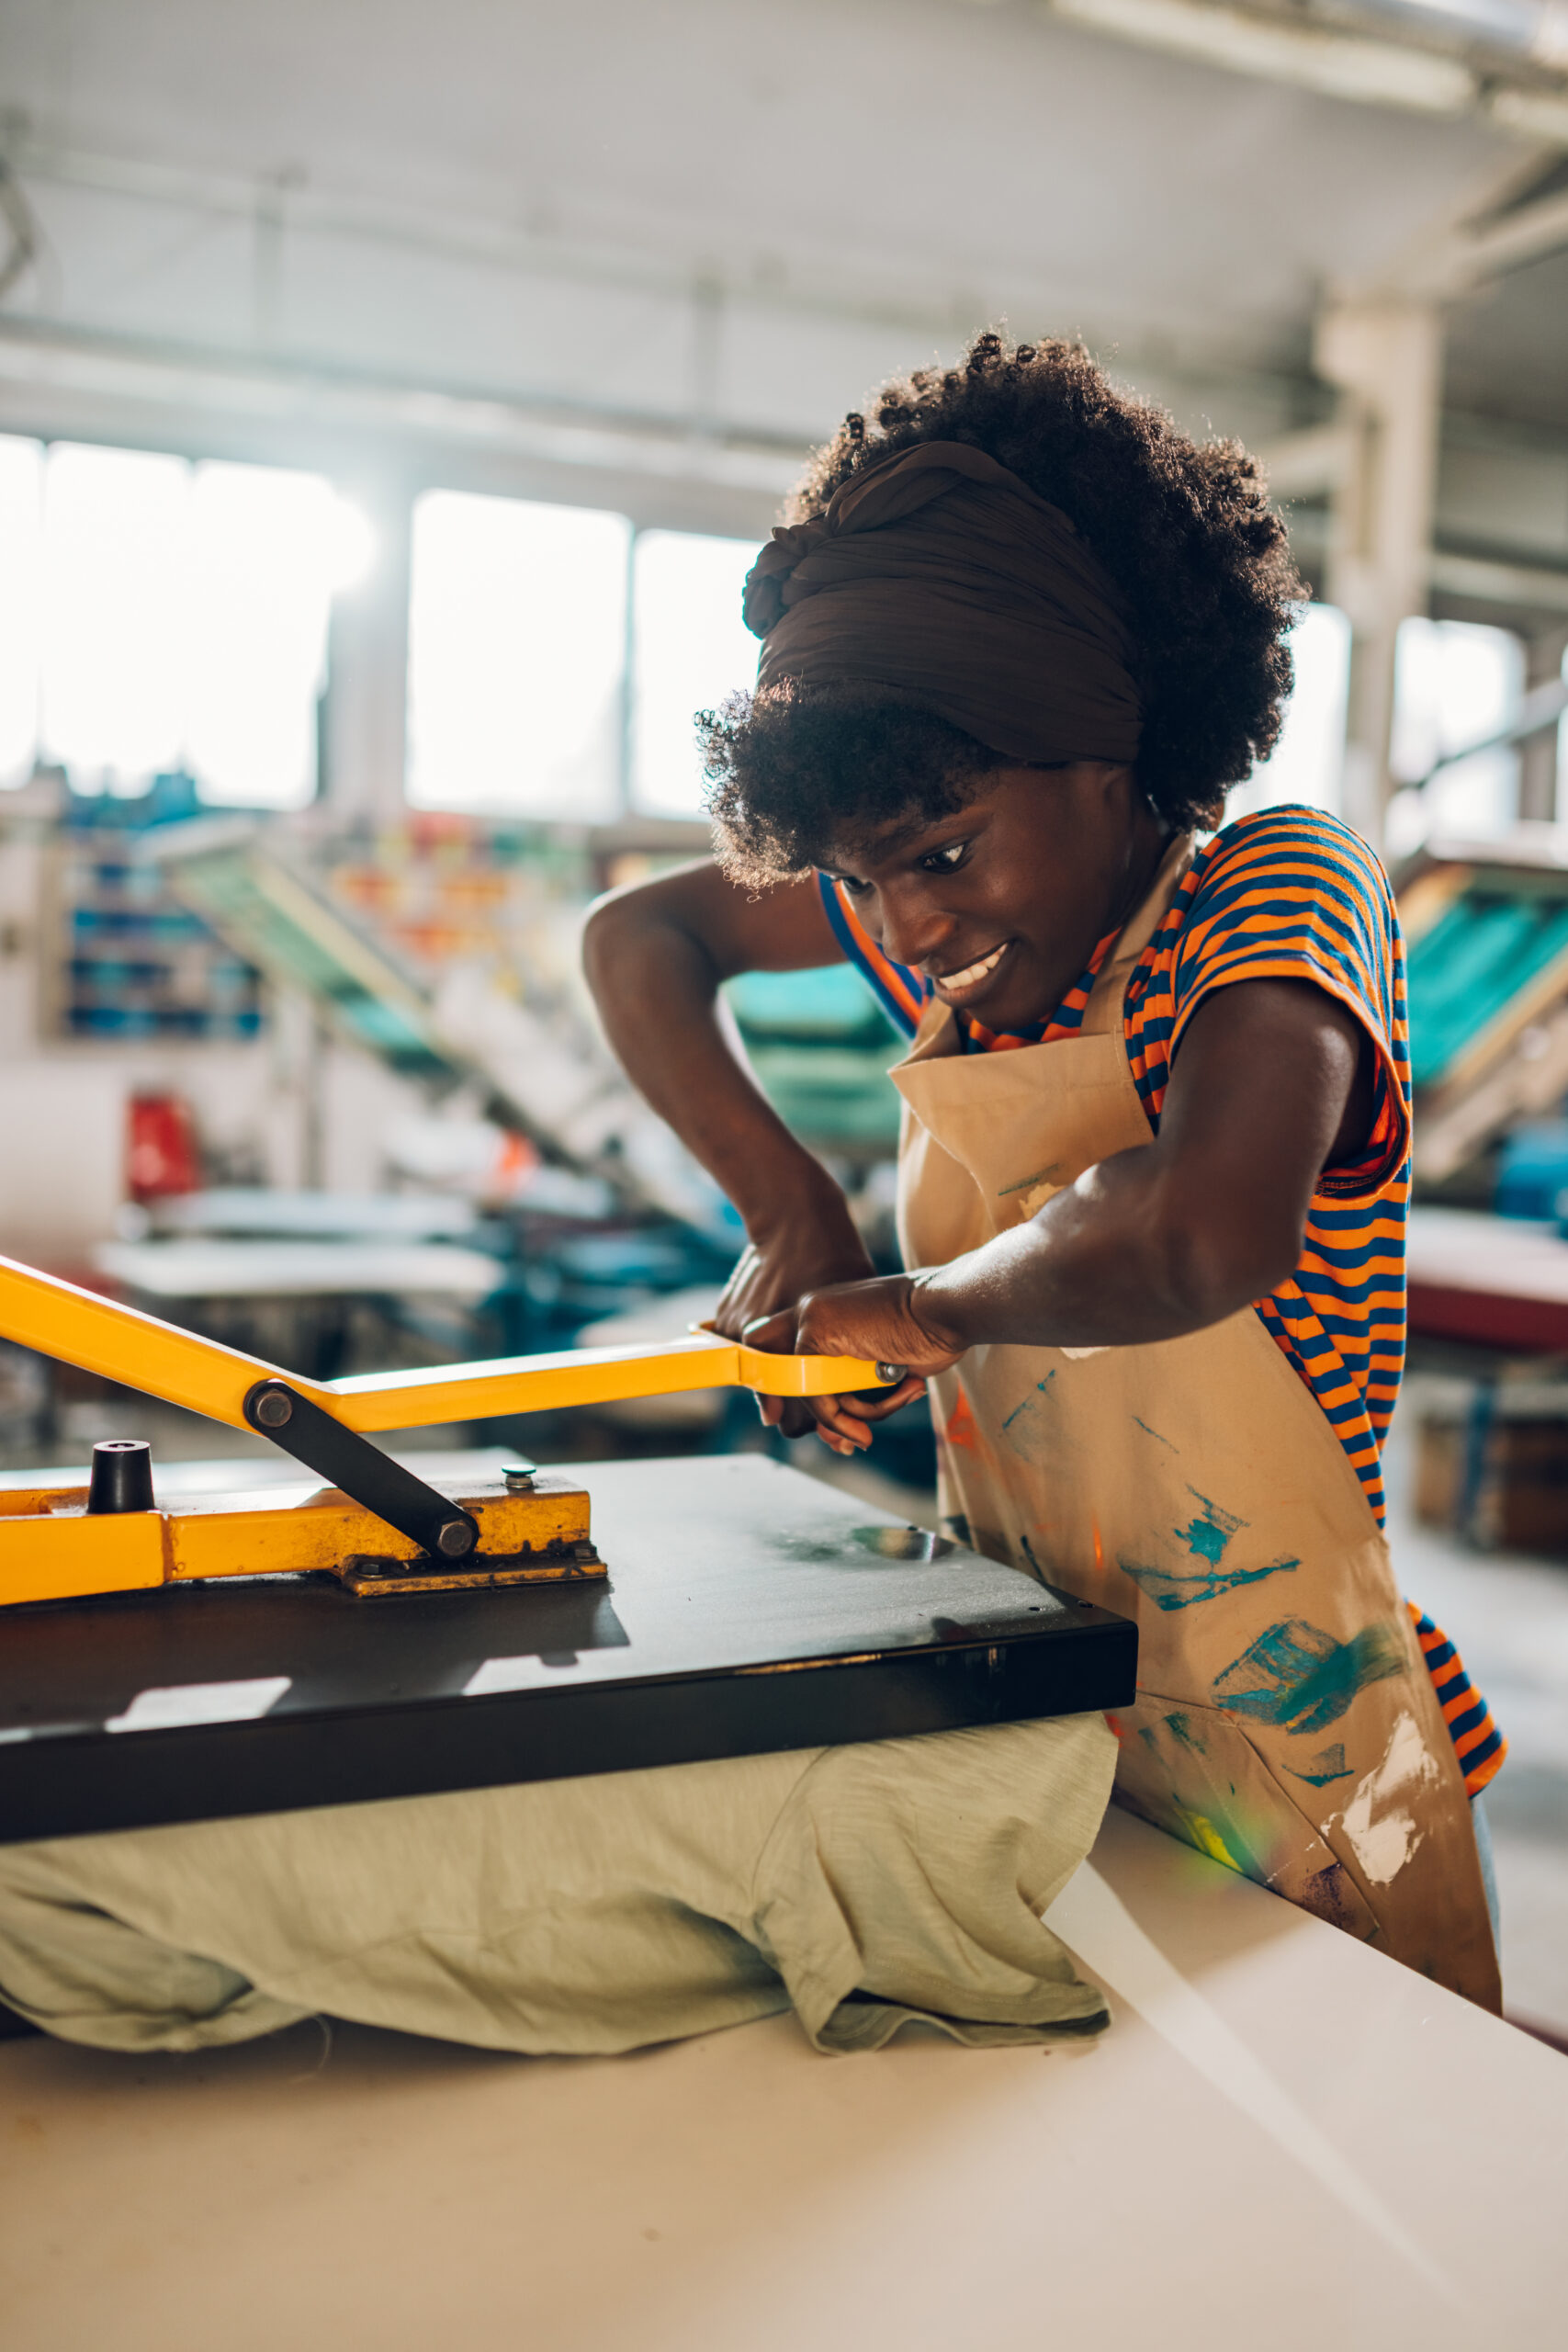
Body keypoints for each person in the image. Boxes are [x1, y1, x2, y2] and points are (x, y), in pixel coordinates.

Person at [584, 332, 1505, 2011]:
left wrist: (922, 1308)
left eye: (943, 854)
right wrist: (795, 1216)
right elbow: (637, 939)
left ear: (1117, 748)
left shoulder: (1277, 899)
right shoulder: (939, 932)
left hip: (1296, 1755)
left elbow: (1188, 1229)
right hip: (1031, 1701)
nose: (912, 923)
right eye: (868, 875)